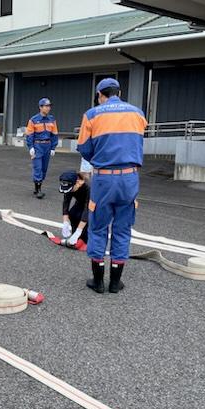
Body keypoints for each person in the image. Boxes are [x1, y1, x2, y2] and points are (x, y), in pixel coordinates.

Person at [77, 78, 147, 294]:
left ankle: (98, 282)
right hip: (129, 177)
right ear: (119, 92)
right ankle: (115, 282)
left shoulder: (92, 115)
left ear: (100, 95)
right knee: (122, 228)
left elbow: (84, 148)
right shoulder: (137, 113)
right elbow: (137, 142)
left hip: (104, 178)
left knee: (98, 227)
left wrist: (100, 159)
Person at [25, 98, 59, 199]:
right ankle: (38, 190)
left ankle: (37, 187)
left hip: (47, 146)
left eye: (49, 106)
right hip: (37, 146)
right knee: (38, 167)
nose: (48, 108)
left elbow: (54, 134)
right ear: (40, 107)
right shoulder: (33, 120)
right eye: (46, 106)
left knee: (44, 168)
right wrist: (31, 147)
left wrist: (53, 147)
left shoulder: (52, 119)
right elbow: (29, 134)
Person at [58, 171, 90, 250]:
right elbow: (66, 202)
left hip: (96, 204)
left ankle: (85, 238)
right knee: (73, 214)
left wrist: (79, 231)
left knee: (87, 218)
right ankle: (76, 237)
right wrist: (65, 222)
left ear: (78, 182)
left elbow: (87, 210)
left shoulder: (89, 187)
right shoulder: (70, 183)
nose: (70, 191)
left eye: (71, 189)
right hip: (81, 202)